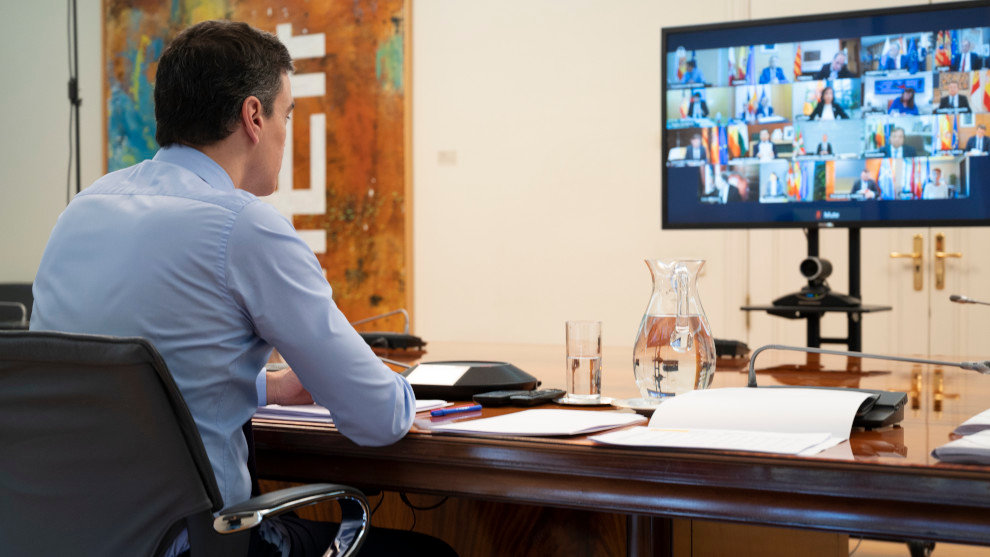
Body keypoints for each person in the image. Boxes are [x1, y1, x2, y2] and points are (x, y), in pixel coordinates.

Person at [29, 20, 456, 557]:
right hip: (194, 545)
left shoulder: (82, 210)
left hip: (64, 539)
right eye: (288, 112)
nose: (285, 130)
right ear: (255, 116)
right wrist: (414, 394)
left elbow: (123, 387)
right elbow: (378, 418)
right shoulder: (242, 226)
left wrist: (267, 389)